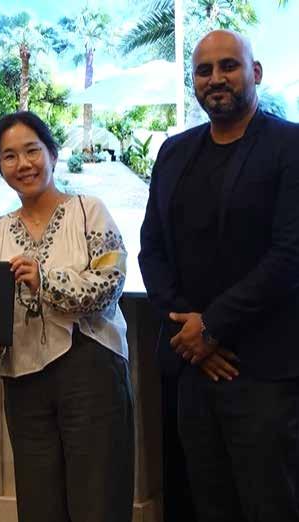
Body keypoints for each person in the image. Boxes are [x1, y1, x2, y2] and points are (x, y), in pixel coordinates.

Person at [139, 29, 299, 521]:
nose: (215, 78)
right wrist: (191, 334)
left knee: (270, 503)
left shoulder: (290, 146)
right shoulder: (174, 152)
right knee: (208, 504)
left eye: (228, 66)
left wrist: (211, 326)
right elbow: (152, 248)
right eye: (203, 71)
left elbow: (289, 254)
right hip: (193, 366)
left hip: (264, 369)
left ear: (255, 72)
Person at [0, 111, 134, 522]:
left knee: (97, 498)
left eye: (32, 151)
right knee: (38, 503)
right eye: (9, 156)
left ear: (53, 154)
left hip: (90, 368)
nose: (23, 164)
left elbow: (110, 283)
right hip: (22, 379)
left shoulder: (89, 210)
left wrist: (45, 280)